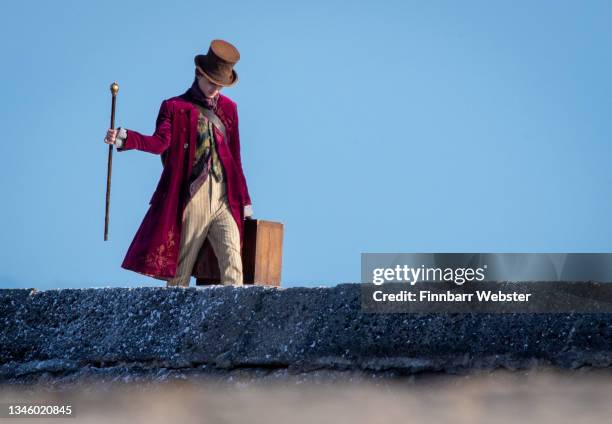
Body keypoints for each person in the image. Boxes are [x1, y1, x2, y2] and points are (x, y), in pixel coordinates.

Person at [104, 39, 253, 287]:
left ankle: (231, 320)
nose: (215, 88)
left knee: (233, 262)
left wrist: (244, 199)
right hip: (193, 194)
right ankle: (172, 320)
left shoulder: (229, 109)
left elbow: (236, 158)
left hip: (225, 196)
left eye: (220, 85)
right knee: (181, 267)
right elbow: (159, 143)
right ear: (198, 74)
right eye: (211, 82)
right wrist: (125, 137)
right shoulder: (174, 107)